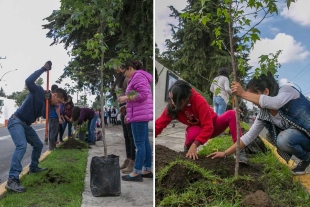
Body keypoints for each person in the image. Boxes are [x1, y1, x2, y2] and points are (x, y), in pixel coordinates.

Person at [208, 72, 310, 175]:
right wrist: (225, 153)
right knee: (283, 140)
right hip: (305, 141)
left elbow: (275, 103)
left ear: (266, 91)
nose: (252, 101)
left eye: (252, 96)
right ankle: (307, 158)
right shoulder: (264, 114)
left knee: (284, 138)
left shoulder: (287, 91)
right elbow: (248, 137)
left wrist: (242, 93)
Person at [6, 61, 67, 193]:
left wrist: (48, 102)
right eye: (58, 102)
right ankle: (12, 180)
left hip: (26, 125)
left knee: (38, 145)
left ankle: (33, 167)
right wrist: (43, 69)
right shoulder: (38, 91)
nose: (58, 105)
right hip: (16, 121)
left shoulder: (50, 104)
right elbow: (28, 81)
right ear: (55, 95)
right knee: (21, 145)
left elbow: (45, 116)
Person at [155, 80, 246, 161]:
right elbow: (159, 124)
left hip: (213, 126)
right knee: (194, 132)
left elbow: (208, 127)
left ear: (185, 98)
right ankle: (188, 148)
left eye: (175, 100)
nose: (172, 102)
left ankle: (239, 150)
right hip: (197, 129)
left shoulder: (199, 101)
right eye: (171, 98)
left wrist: (195, 145)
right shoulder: (172, 107)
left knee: (232, 114)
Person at [118, 59, 153, 182]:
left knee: (139, 145)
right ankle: (147, 169)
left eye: (124, 72)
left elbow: (143, 95)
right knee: (144, 143)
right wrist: (127, 107)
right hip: (139, 113)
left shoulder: (138, 77)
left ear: (130, 68)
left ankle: (136, 172)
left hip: (140, 115)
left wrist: (125, 97)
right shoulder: (136, 78)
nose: (124, 75)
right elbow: (135, 98)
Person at [113, 66, 136, 174]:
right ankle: (128, 158)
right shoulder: (119, 79)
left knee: (131, 136)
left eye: (118, 66)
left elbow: (133, 94)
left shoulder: (127, 79)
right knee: (126, 135)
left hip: (128, 107)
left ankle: (133, 161)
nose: (116, 68)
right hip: (122, 108)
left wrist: (127, 106)